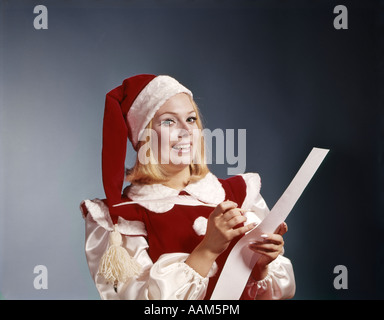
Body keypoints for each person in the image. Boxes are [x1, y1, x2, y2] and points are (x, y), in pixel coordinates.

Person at [80, 74, 295, 300]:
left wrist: (260, 267)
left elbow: (277, 294)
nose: (185, 130)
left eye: (191, 119)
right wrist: (207, 249)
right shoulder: (121, 218)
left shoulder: (240, 193)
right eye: (168, 121)